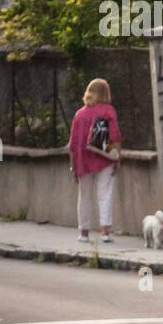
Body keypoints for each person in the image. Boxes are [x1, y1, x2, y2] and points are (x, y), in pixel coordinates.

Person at [67, 78, 123, 243]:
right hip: (103, 159)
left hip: (83, 160)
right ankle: (106, 232)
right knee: (105, 194)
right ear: (105, 93)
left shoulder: (79, 114)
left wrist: (73, 166)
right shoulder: (108, 111)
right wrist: (117, 157)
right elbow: (115, 136)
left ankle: (83, 233)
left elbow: (73, 142)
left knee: (84, 196)